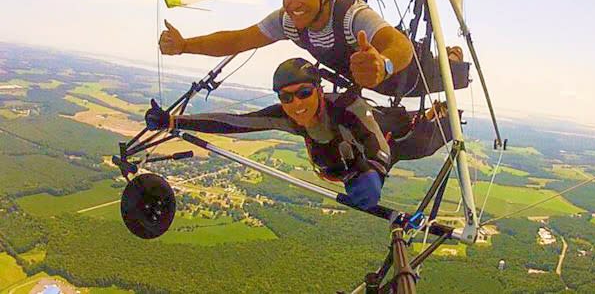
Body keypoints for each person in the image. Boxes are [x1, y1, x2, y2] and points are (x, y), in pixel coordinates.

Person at [145, 58, 451, 210]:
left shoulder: (346, 107)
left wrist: (376, 172)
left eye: (304, 93)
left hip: (388, 139)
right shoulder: (287, 116)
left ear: (318, 90)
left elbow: (376, 143)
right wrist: (174, 121)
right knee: (345, 157)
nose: (296, 104)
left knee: (428, 140)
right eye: (286, 97)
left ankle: (441, 108)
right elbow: (234, 123)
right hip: (346, 162)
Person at [159, 0, 463, 96]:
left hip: (408, 75)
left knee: (452, 74)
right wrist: (185, 45)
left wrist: (382, 65)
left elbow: (400, 45)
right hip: (364, 76)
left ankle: (450, 55)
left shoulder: (351, 16)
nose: (293, 4)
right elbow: (238, 40)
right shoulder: (288, 22)